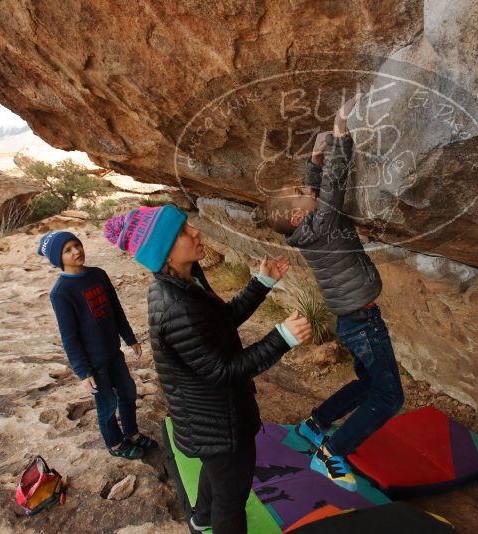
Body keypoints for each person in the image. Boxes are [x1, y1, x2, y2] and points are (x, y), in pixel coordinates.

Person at [102, 204, 311, 534]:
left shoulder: (184, 282)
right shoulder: (177, 306)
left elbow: (221, 323)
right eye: (184, 232)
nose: (196, 232)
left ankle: (200, 519)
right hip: (217, 424)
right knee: (231, 500)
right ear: (165, 254)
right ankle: (209, 519)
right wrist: (282, 337)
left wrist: (261, 283)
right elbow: (223, 371)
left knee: (217, 472)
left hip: (209, 420)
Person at [260, 93, 404, 492]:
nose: (306, 188)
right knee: (388, 395)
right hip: (362, 318)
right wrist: (340, 134)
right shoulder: (321, 222)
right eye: (299, 191)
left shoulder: (309, 225)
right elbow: (334, 186)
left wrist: (314, 159)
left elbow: (315, 186)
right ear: (298, 215)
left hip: (351, 318)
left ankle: (315, 424)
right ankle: (332, 452)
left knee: (365, 381)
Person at [39, 230, 154, 460]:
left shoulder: (98, 275)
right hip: (93, 361)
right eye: (67, 250)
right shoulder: (61, 292)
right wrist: (82, 372)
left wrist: (129, 338)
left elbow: (116, 309)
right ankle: (115, 443)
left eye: (77, 245)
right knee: (107, 404)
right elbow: (69, 336)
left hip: (113, 352)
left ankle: (132, 433)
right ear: (58, 259)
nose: (76, 252)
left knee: (128, 392)